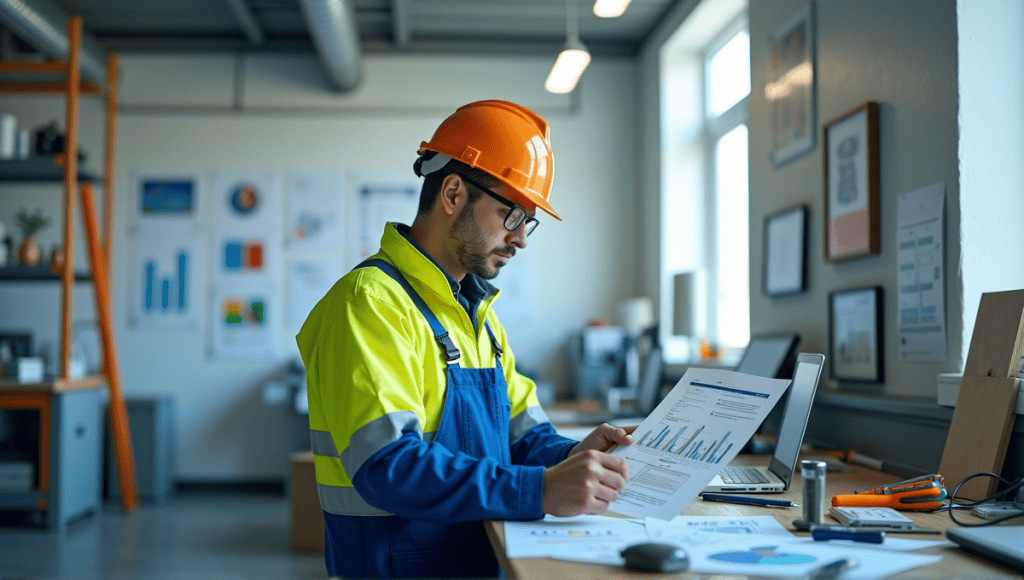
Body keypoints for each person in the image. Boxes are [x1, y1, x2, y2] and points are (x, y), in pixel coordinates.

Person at [297, 99, 637, 580]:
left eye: (526, 221)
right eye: (511, 215)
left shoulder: (477, 314)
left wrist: (576, 456)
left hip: (479, 559)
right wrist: (537, 490)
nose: (520, 239)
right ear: (453, 192)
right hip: (396, 567)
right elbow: (386, 464)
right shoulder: (369, 303)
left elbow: (523, 435)